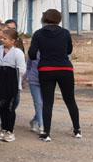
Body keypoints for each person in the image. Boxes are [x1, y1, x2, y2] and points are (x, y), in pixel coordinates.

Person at [28, 8, 81, 141]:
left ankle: (46, 133)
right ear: (59, 19)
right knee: (70, 99)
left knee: (47, 102)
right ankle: (77, 130)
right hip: (65, 69)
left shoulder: (38, 34)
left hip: (46, 70)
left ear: (44, 18)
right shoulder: (65, 33)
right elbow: (69, 50)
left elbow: (32, 54)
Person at [0, 27, 26, 142]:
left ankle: (10, 130)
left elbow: (22, 69)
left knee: (10, 107)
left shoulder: (18, 52)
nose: (2, 40)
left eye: (5, 39)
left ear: (13, 41)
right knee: (1, 105)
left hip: (12, 81)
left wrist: (12, 76)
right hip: (0, 80)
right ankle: (3, 129)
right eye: (2, 38)